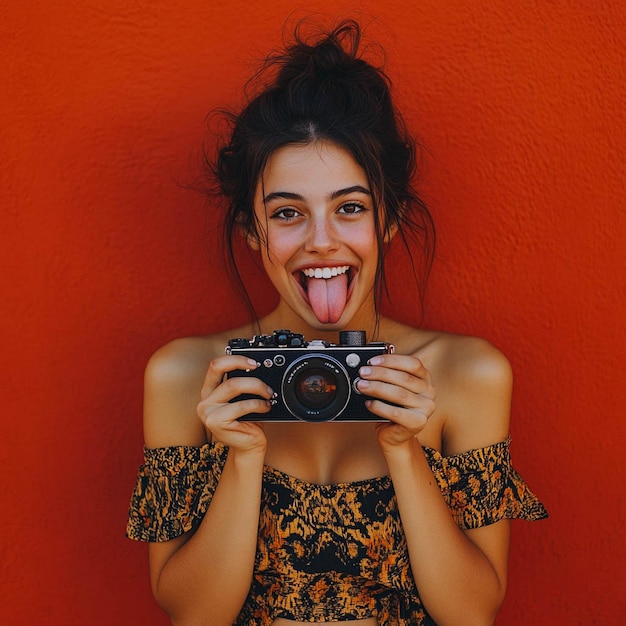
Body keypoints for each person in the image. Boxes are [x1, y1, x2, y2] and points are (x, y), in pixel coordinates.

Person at [127, 19, 547, 626]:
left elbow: (472, 614)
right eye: (288, 213)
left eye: (349, 208)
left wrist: (405, 451)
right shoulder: (188, 376)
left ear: (389, 220)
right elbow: (193, 616)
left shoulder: (465, 374)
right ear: (252, 229)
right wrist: (242, 457)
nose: (322, 243)